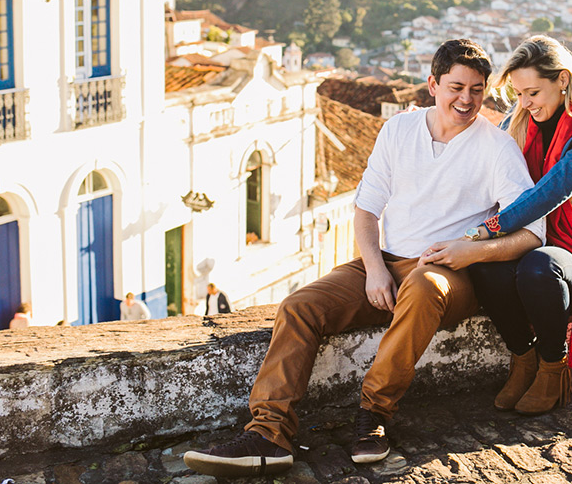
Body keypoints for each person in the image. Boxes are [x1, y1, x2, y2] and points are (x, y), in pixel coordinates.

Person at [184, 39, 544, 477]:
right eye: (455, 87)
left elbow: (531, 232)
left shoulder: (497, 148)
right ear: (432, 84)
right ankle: (269, 434)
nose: (466, 99)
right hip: (387, 260)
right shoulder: (398, 131)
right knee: (301, 306)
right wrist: (374, 269)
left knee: (424, 284)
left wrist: (472, 252)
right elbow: (367, 207)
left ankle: (374, 414)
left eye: (476, 89)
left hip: (450, 272)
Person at [426, 35, 572, 416]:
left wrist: (486, 230)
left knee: (538, 267)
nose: (525, 103)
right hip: (529, 236)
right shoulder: (518, 120)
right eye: (519, 93)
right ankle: (522, 358)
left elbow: (550, 192)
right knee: (483, 264)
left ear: (562, 80)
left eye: (533, 92)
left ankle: (551, 367)